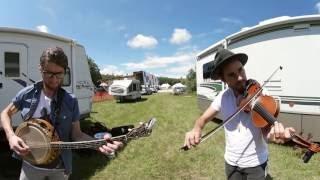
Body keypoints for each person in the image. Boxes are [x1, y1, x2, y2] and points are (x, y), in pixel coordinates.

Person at [0, 47, 123, 180]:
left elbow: (77, 135)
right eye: (49, 74)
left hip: (59, 168)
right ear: (41, 69)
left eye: (59, 74)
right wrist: (11, 136)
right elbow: (5, 113)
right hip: (30, 165)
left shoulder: (71, 100)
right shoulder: (27, 94)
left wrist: (98, 144)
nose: (54, 80)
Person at [183, 48, 295, 180]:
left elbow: (266, 132)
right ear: (223, 79)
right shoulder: (223, 97)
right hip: (231, 163)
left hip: (256, 164)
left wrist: (276, 135)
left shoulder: (261, 94)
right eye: (232, 75)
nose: (240, 77)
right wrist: (197, 127)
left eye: (241, 70)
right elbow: (203, 119)